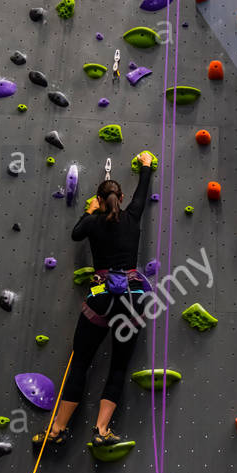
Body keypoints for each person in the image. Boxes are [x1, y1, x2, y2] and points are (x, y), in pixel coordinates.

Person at [35, 151, 157, 452]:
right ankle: (102, 430)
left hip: (101, 298)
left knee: (80, 363)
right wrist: (144, 165)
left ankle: (59, 429)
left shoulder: (92, 222)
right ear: (121, 197)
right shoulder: (132, 216)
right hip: (133, 299)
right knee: (118, 367)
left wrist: (89, 212)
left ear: (99, 201)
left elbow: (76, 234)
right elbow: (143, 192)